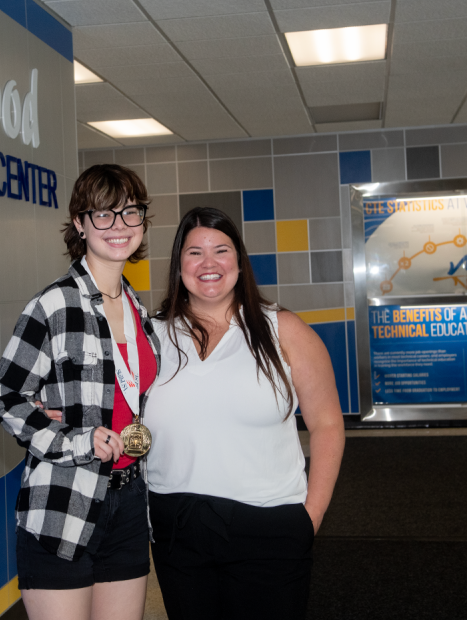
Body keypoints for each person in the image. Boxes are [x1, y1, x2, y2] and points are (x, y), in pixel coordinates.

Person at [144, 206, 345, 620]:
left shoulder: (283, 330)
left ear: (239, 261)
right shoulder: (152, 335)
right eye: (194, 252)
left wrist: (312, 517)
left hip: (269, 524)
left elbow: (327, 423)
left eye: (221, 250)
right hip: (177, 526)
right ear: (178, 264)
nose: (209, 263)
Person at [0, 164, 161, 620]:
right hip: (65, 500)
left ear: (143, 221)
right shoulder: (54, 305)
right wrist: (73, 441)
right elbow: (5, 395)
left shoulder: (140, 311)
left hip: (128, 502)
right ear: (80, 224)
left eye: (129, 213)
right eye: (102, 214)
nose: (119, 226)